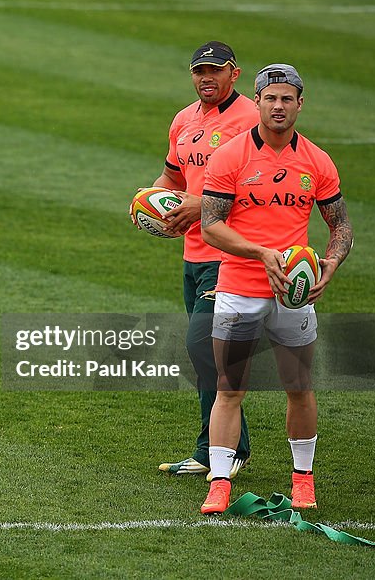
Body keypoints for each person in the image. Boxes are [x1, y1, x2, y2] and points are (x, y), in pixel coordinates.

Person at [199, 64, 353, 514]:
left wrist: (332, 262)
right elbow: (211, 227)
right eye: (271, 98)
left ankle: (303, 477)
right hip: (239, 288)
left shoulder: (317, 160)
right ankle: (220, 482)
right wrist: (262, 254)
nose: (279, 106)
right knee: (230, 389)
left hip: (295, 294)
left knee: (299, 385)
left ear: (300, 104)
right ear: (258, 101)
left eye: (287, 99)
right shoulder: (230, 156)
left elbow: (340, 223)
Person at [142, 41, 257, 480]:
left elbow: (253, 188)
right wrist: (153, 204)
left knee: (202, 347)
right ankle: (220, 447)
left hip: (229, 254)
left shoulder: (250, 120)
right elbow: (171, 176)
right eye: (199, 70)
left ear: (235, 73)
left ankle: (221, 449)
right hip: (193, 254)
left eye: (216, 69)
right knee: (206, 353)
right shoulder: (184, 120)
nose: (206, 77)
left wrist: (198, 204)